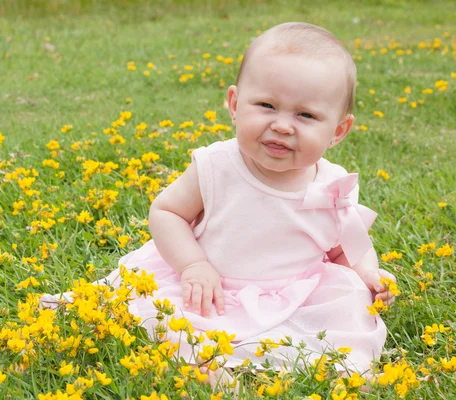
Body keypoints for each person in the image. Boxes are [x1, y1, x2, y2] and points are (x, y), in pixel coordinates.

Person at [41, 22, 396, 378]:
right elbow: (167, 212)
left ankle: (329, 370)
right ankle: (209, 366)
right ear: (235, 105)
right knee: (172, 321)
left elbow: (345, 247)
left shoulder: (334, 185)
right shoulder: (218, 166)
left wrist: (367, 273)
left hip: (292, 296)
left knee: (346, 313)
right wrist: (193, 265)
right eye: (266, 105)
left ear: (337, 130)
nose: (283, 125)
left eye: (305, 115)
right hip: (208, 288)